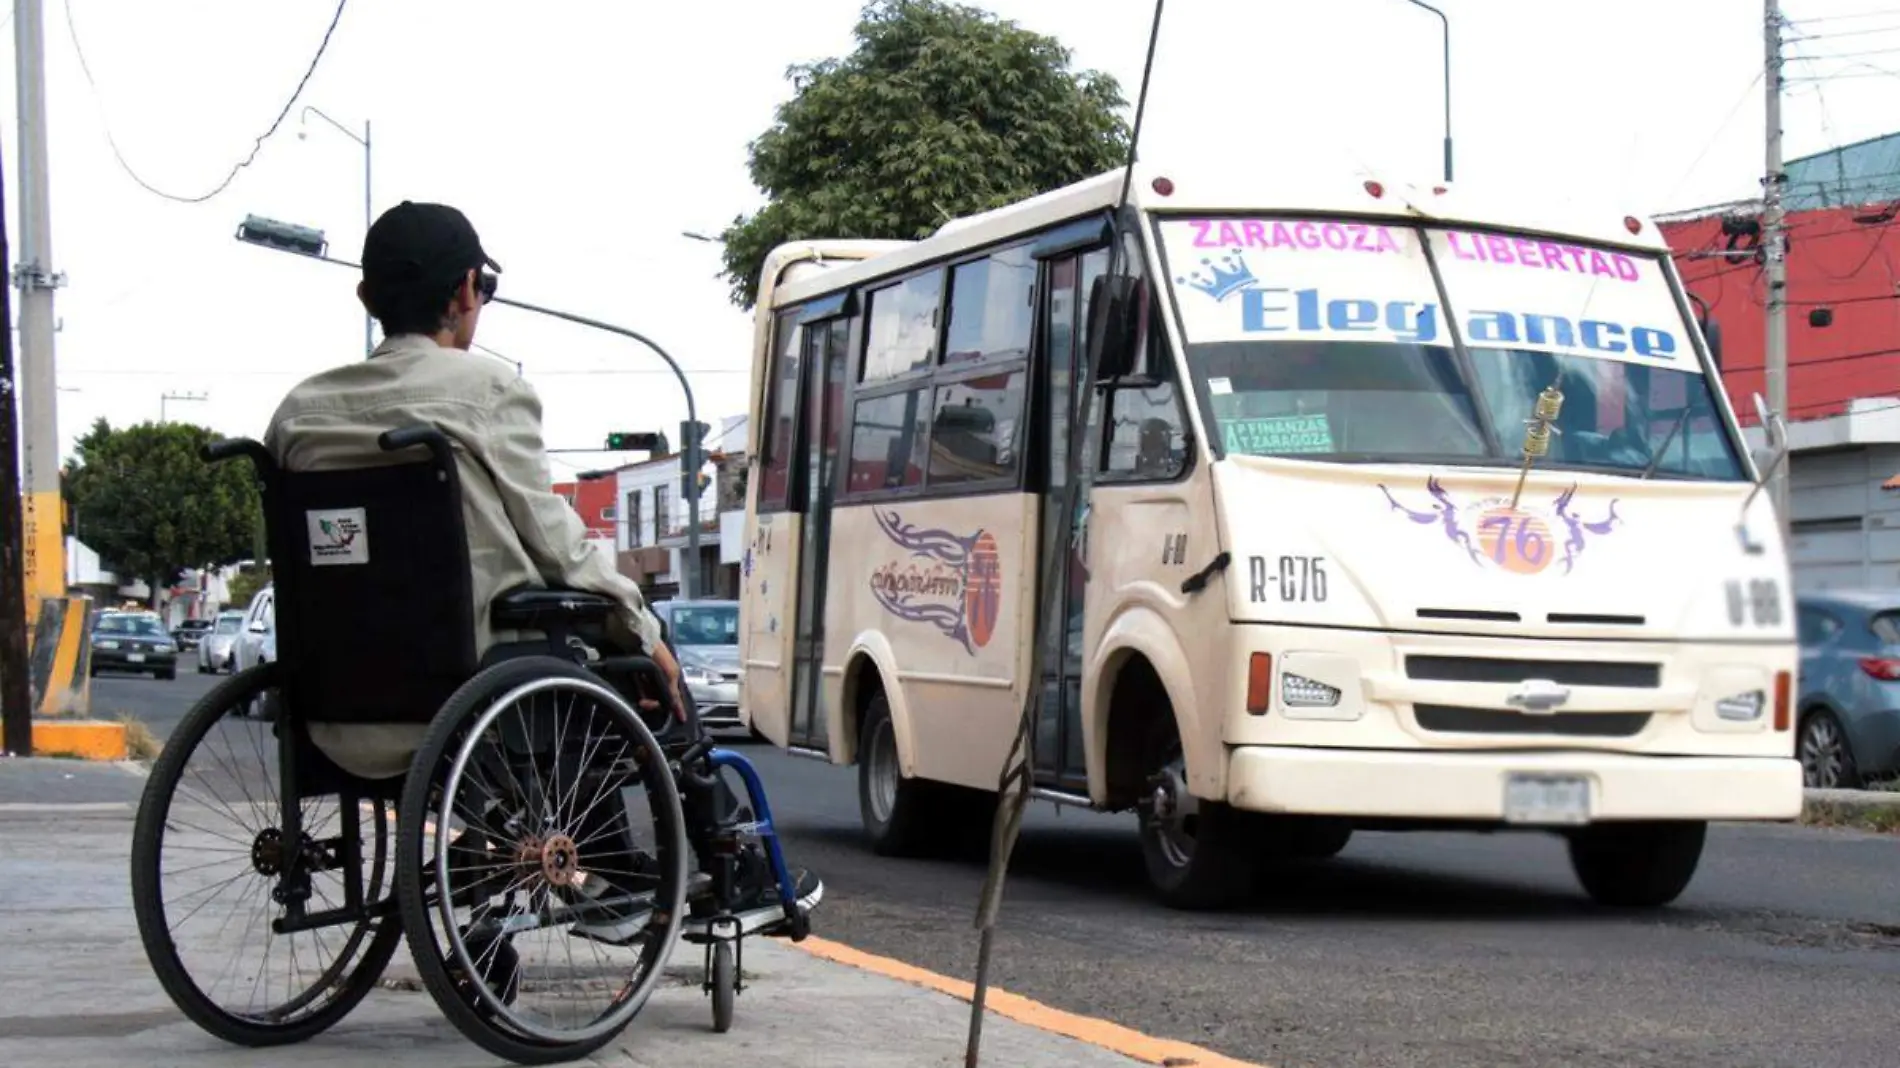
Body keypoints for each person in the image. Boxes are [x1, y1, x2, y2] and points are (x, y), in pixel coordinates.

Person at [263, 200, 688, 781]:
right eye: (482, 287)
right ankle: (702, 847)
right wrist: (642, 627)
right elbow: (556, 544)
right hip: (474, 700)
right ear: (466, 291)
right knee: (648, 676)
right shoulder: (486, 391)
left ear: (366, 299)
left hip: (334, 709)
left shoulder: (299, 413)